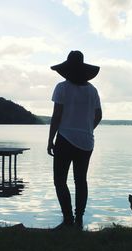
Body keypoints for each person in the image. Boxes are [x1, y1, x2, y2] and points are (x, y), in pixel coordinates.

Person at [47, 50, 102, 229]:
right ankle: (78, 220)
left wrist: (50, 140)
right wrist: (87, 129)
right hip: (87, 142)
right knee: (81, 180)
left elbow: (56, 116)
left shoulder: (62, 87)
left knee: (60, 180)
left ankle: (68, 219)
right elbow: (99, 115)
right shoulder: (92, 91)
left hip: (65, 139)